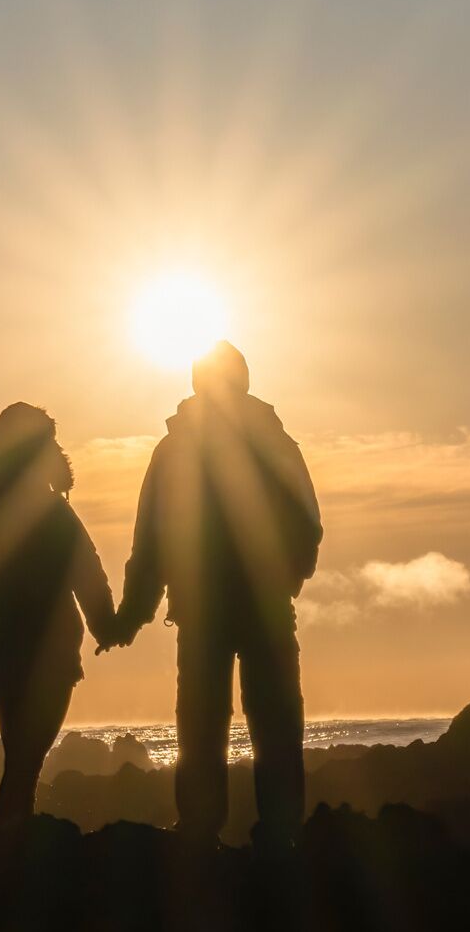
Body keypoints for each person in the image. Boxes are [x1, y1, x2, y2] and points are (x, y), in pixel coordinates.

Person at [115, 340, 322, 847]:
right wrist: (288, 578)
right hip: (258, 605)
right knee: (271, 719)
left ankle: (204, 829)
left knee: (205, 720)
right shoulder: (275, 442)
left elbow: (151, 538)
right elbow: (308, 522)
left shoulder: (178, 447)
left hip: (209, 607)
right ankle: (277, 832)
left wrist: (133, 613)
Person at [0, 401, 123, 821]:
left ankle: (10, 847)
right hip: (49, 657)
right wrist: (109, 628)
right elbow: (87, 573)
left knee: (21, 758)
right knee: (26, 763)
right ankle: (12, 850)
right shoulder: (51, 511)